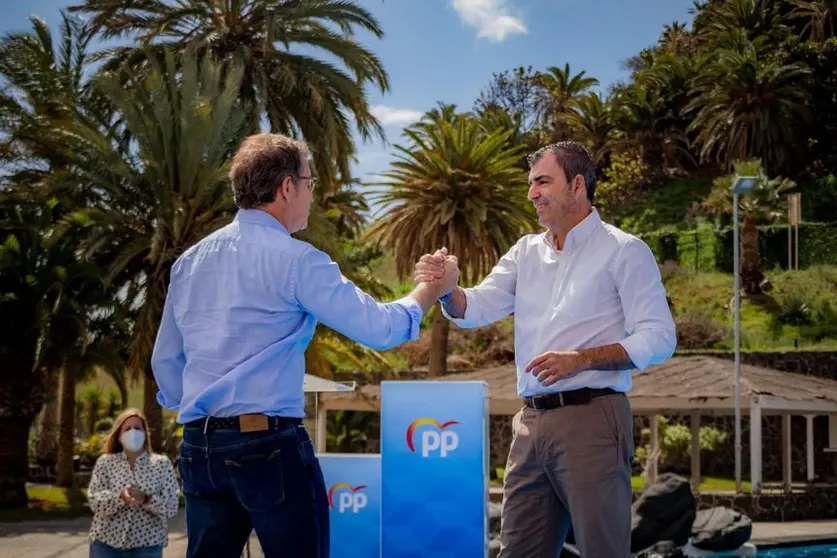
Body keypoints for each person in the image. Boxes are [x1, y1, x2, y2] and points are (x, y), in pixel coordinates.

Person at [150, 133, 458, 558]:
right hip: (268, 446)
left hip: (199, 447)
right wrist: (429, 289)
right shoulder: (298, 260)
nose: (313, 195)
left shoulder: (190, 261)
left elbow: (165, 359)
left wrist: (200, 409)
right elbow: (381, 329)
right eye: (310, 183)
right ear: (287, 187)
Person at [414, 141, 677, 558]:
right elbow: (477, 305)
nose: (532, 193)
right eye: (531, 184)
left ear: (576, 184)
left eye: (542, 181)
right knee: (517, 551)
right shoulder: (525, 252)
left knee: (602, 551)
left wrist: (583, 359)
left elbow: (660, 336)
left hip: (593, 419)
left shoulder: (625, 250)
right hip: (530, 424)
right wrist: (448, 291)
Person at [87, 408, 180, 558]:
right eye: (127, 429)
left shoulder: (161, 464)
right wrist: (120, 497)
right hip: (106, 543)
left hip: (147, 545)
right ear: (119, 435)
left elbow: (172, 506)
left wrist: (147, 499)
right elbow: (94, 501)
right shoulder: (106, 462)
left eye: (138, 428)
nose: (133, 432)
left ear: (145, 434)